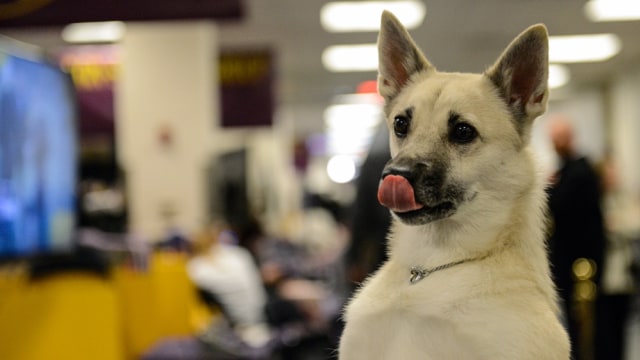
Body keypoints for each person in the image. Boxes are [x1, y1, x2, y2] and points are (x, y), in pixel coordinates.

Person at [546, 115, 606, 360]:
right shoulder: (567, 171)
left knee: (585, 322)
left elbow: (561, 207)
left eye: (557, 139)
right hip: (572, 259)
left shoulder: (579, 172)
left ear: (568, 139)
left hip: (581, 262)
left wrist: (550, 190)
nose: (555, 145)